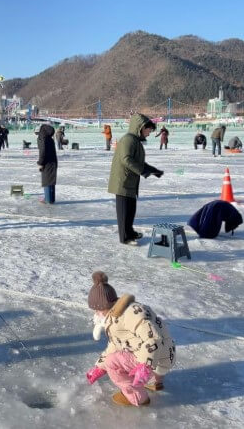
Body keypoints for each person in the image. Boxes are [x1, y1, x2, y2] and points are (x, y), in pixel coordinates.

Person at [86, 271, 176, 407]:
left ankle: (137, 397)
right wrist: (100, 366)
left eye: (97, 310)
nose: (96, 314)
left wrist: (145, 366)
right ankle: (154, 381)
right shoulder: (124, 311)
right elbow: (116, 344)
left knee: (112, 362)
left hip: (155, 356)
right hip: (165, 355)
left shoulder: (128, 316)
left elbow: (153, 340)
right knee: (118, 356)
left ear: (105, 306)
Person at [108, 114, 164, 245]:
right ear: (140, 127)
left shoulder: (135, 141)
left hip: (130, 182)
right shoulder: (128, 140)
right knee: (124, 212)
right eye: (148, 130)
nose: (149, 134)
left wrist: (153, 170)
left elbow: (138, 162)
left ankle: (130, 231)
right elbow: (126, 159)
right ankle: (125, 237)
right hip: (122, 182)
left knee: (131, 210)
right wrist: (143, 171)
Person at [37, 124, 57, 204]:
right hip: (53, 161)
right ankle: (51, 199)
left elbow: (42, 152)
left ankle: (48, 199)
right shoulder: (50, 139)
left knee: (47, 180)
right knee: (51, 181)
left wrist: (40, 162)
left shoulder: (43, 139)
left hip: (46, 162)